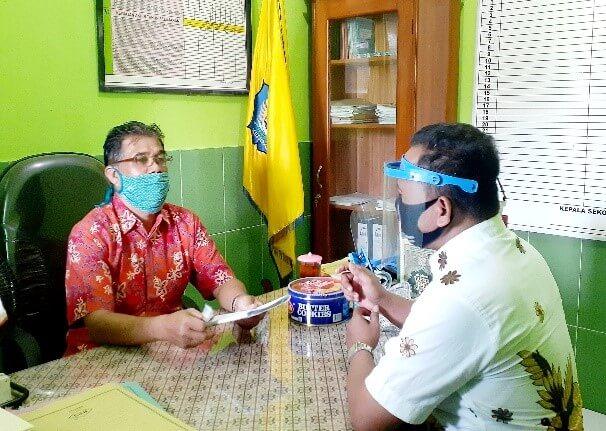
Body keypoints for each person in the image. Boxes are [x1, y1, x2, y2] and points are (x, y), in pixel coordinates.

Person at [342, 123, 583, 430]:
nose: (399, 206)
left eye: (402, 195)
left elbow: (367, 418)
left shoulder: (462, 297)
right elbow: (454, 328)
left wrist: (360, 346)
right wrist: (382, 299)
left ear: (441, 209)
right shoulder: (515, 251)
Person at [64, 121, 263, 356]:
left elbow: (220, 278)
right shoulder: (91, 232)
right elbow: (97, 323)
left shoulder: (186, 223)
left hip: (171, 351)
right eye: (141, 159)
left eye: (160, 159)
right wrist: (160, 328)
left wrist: (240, 304)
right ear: (114, 175)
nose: (156, 168)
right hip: (102, 356)